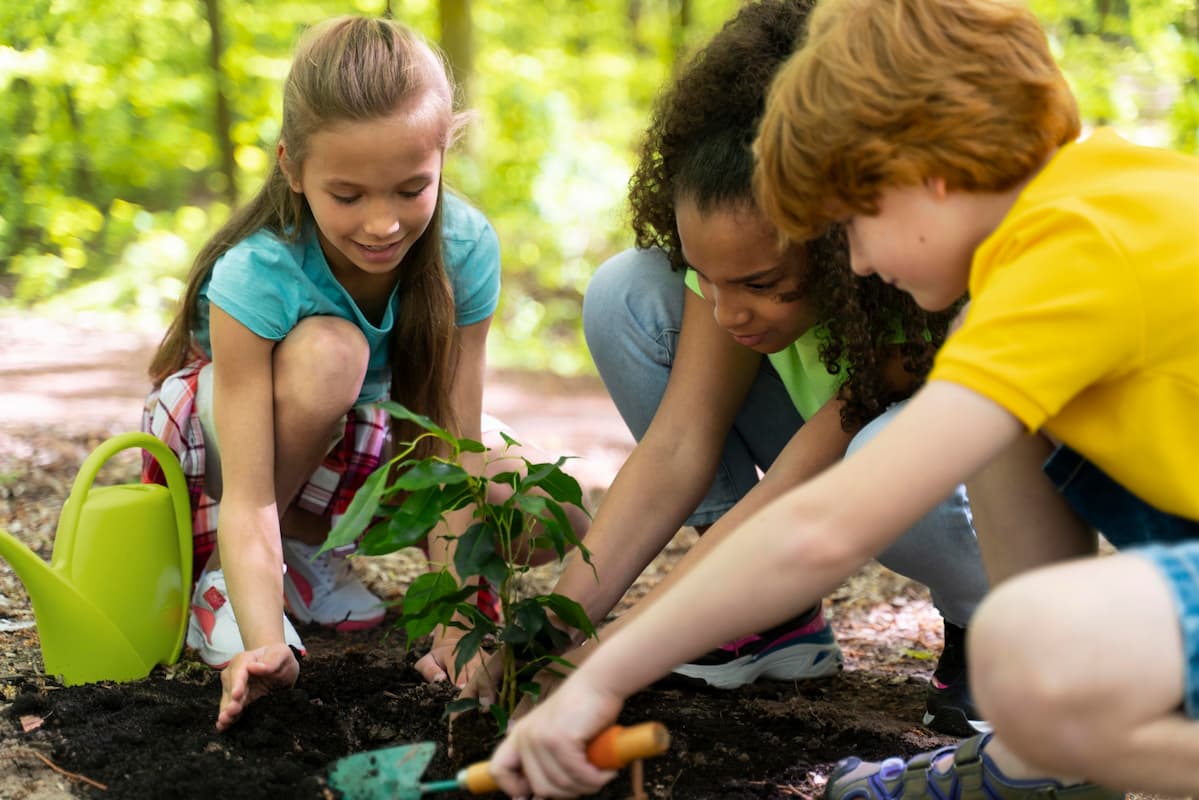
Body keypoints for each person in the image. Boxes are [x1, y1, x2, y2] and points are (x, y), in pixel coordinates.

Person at [484, 0, 1199, 797]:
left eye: (852, 220)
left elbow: (823, 526)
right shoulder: (1078, 215)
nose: (852, 262)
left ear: (923, 173)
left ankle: (1056, 755)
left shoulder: (1072, 256)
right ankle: (1032, 772)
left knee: (1033, 652)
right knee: (1026, 618)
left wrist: (598, 677)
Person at [465, 0, 989, 738]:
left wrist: (610, 659)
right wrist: (551, 632)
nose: (725, 312)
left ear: (845, 242)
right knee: (627, 290)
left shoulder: (920, 281)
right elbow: (677, 447)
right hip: (824, 476)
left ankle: (989, 623)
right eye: (708, 279)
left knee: (888, 455)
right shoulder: (731, 279)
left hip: (949, 488)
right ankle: (764, 618)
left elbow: (795, 492)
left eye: (762, 285)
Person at [141, 15, 586, 732]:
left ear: (443, 158)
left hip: (360, 433)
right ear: (292, 167)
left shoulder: (465, 249)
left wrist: (458, 612)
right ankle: (230, 585)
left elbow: (452, 448)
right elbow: (248, 493)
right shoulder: (259, 271)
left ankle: (310, 554)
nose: (382, 225)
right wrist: (260, 645)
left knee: (550, 512)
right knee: (331, 352)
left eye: (411, 189)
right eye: (348, 196)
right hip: (228, 453)